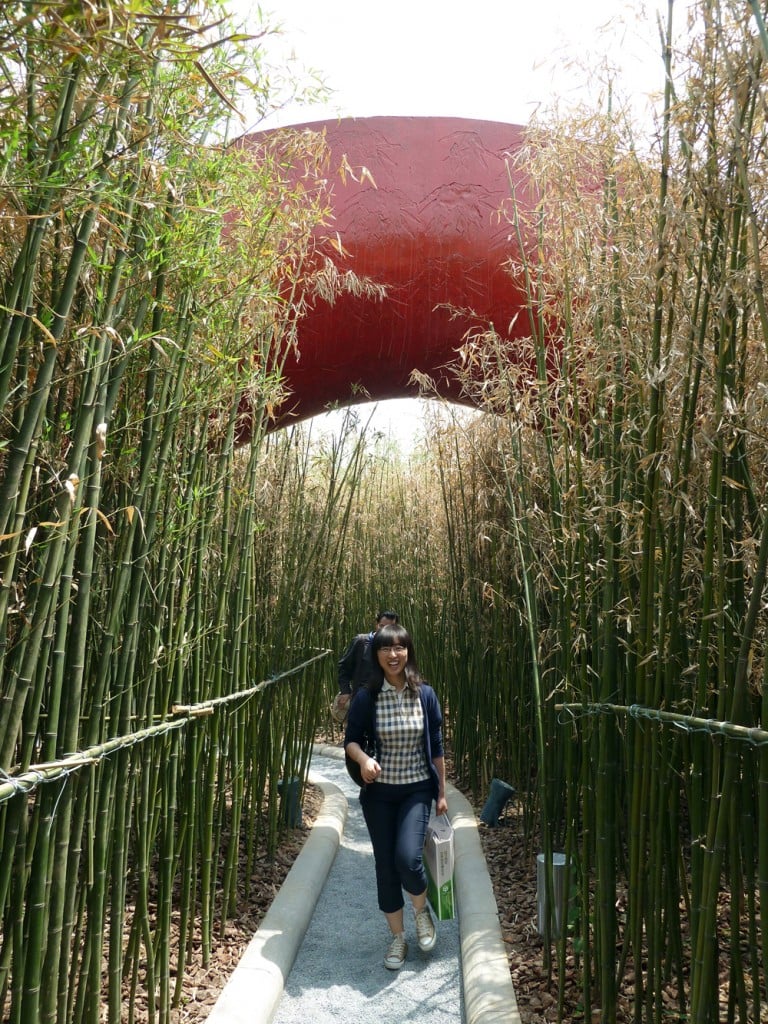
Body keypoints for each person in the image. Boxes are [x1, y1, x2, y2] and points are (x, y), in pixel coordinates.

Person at [344, 623, 448, 970]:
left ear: (408, 652)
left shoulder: (425, 694)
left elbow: (437, 747)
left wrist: (442, 793)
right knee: (386, 867)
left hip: (416, 789)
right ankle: (398, 938)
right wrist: (363, 759)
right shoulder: (367, 696)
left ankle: (421, 914)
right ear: (377, 655)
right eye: (386, 649)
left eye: (399, 648)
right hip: (379, 795)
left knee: (407, 858)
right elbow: (352, 739)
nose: (393, 655)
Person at [336, 609, 398, 715]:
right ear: (376, 624)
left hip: (387, 706)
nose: (384, 631)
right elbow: (344, 668)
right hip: (361, 702)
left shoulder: (398, 649)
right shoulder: (361, 642)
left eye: (389, 628)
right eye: (382, 626)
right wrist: (345, 691)